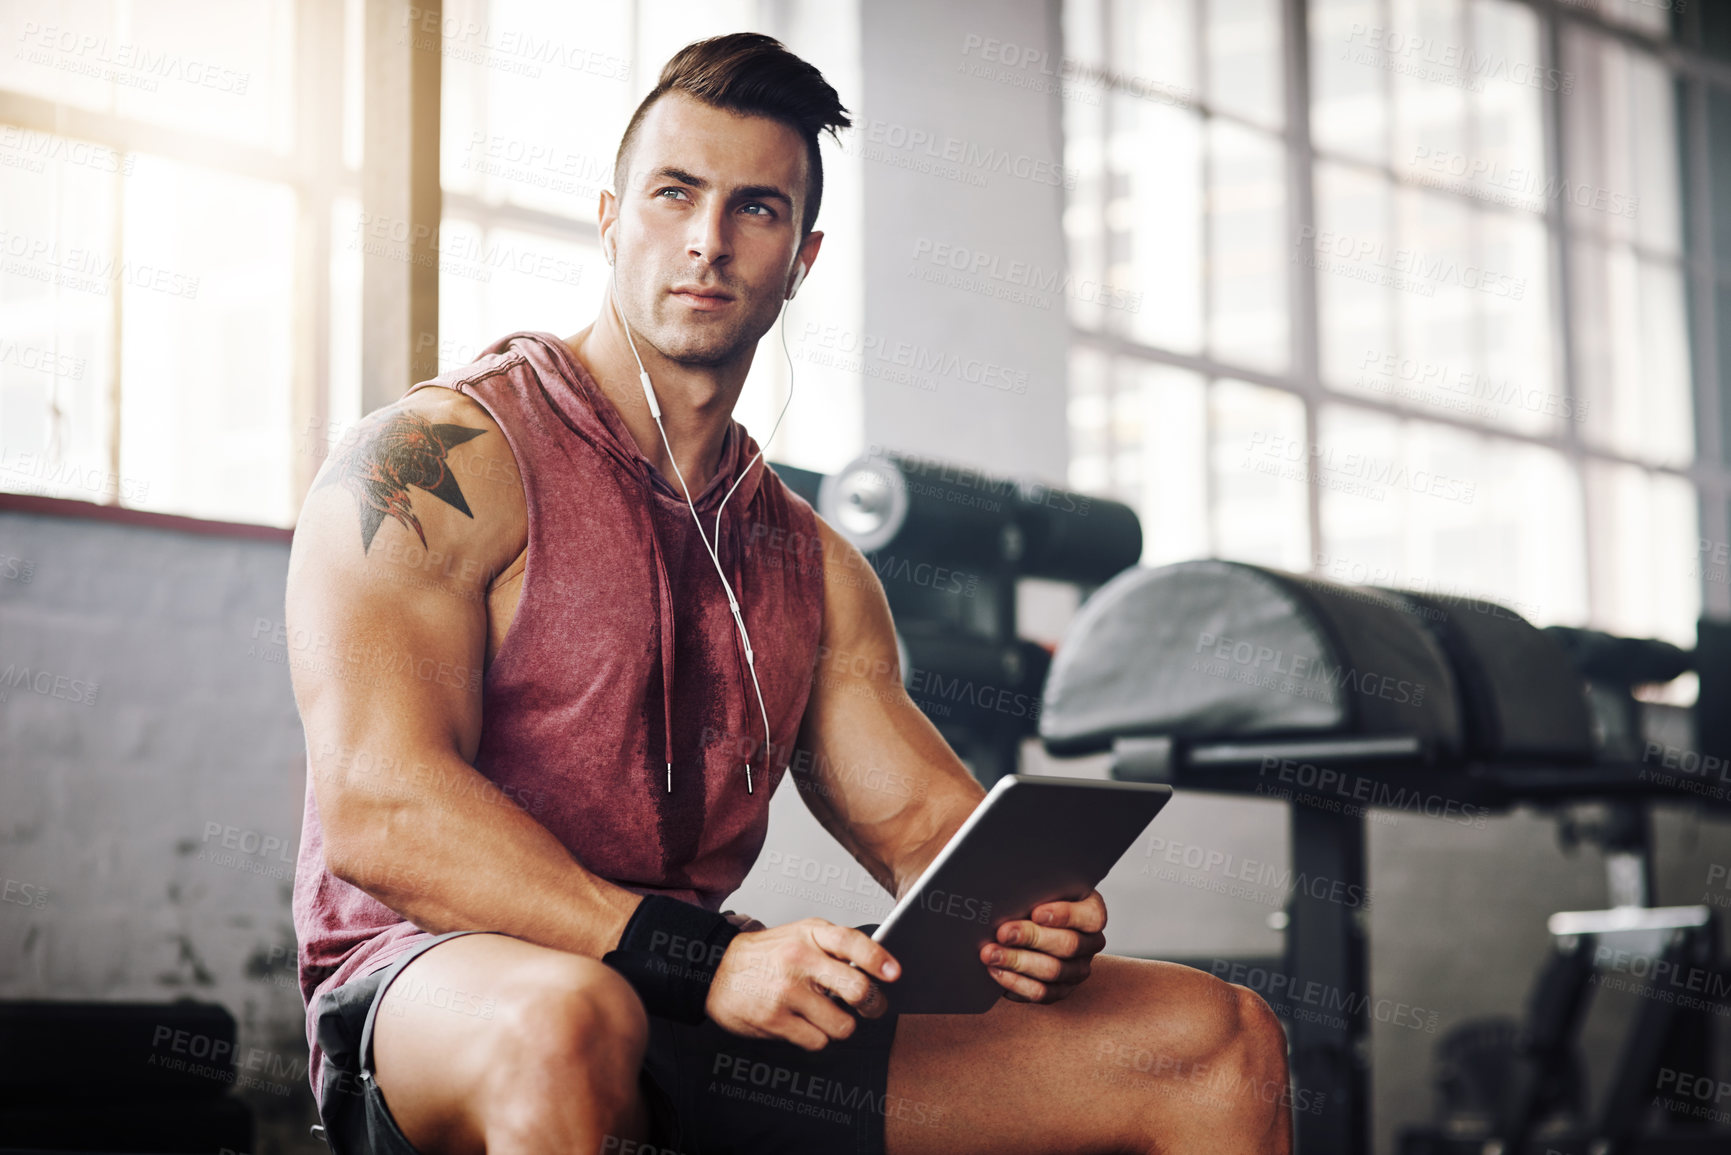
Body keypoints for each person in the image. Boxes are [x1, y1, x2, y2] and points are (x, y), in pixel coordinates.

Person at [288, 30, 1290, 1155]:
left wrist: (1024, 917)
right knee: (571, 1018)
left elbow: (922, 824)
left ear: (803, 257)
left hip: (701, 999)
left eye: (756, 210)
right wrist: (702, 960)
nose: (708, 243)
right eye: (675, 195)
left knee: (1216, 1039)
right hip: (442, 991)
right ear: (612, 217)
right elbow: (381, 808)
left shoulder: (807, 561)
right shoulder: (437, 462)